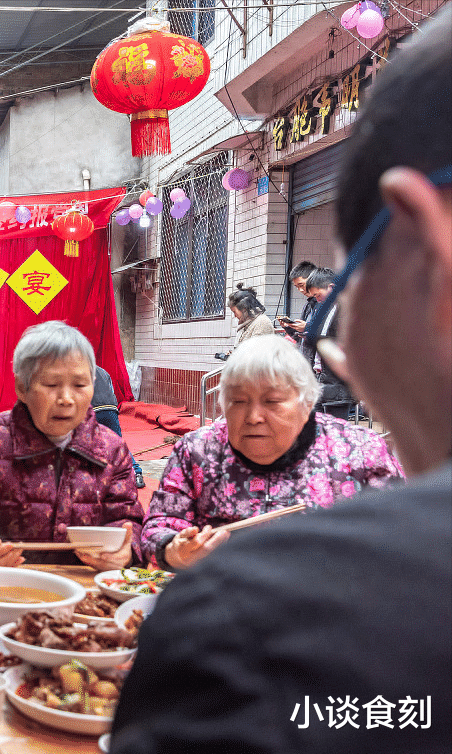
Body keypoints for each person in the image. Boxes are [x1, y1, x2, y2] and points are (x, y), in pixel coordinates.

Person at [110, 8, 451, 750]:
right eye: (237, 402)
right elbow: (154, 531)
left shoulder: (245, 619)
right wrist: (172, 551)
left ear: (427, 247)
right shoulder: (197, 459)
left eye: (340, 294)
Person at [140, 335, 402, 569]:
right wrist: (175, 552)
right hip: (221, 602)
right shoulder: (197, 450)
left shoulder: (359, 451)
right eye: (238, 401)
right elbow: (158, 527)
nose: (253, 417)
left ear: (307, 402)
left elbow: (403, 534)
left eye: (272, 401)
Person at [0, 321, 143, 569]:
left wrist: (126, 551)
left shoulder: (111, 451)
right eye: (51, 385)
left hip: (85, 598)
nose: (66, 399)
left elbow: (131, 524)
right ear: (22, 388)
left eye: (79, 385)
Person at [304, 267, 355, 418]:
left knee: (336, 431)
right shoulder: (327, 309)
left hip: (337, 384)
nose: (317, 299)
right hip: (323, 381)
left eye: (318, 295)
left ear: (331, 287)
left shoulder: (346, 308)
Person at [92, 365, 145, 488]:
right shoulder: (103, 371)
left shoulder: (75, 368)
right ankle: (136, 472)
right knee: (117, 443)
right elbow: (111, 391)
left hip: (92, 408)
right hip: (110, 409)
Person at [218, 283, 275, 360]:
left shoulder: (262, 323)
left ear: (244, 308)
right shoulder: (247, 323)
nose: (234, 315)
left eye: (234, 311)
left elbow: (257, 355)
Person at [276, 259, 318, 344]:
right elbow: (299, 338)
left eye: (301, 285)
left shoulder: (330, 305)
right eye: (297, 287)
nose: (300, 290)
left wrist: (307, 328)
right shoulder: (308, 305)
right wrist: (289, 327)